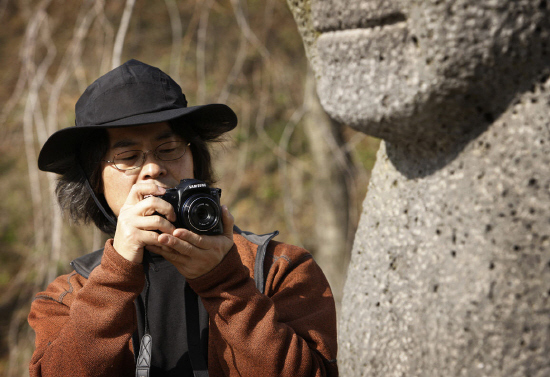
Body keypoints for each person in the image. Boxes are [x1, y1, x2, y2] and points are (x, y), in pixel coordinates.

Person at [28, 59, 338, 377]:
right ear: (95, 181)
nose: (152, 168)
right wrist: (115, 279)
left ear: (196, 160)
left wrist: (225, 282)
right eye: (128, 157)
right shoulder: (68, 295)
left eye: (169, 148)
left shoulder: (278, 268)